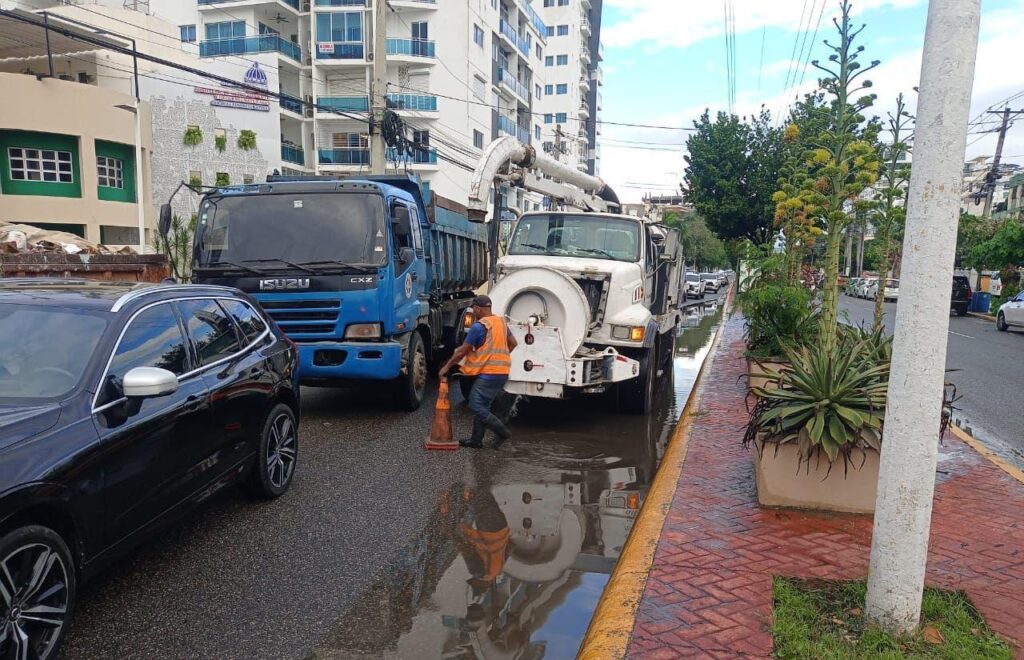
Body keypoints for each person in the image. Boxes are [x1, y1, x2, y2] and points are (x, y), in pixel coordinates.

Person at [440, 295, 517, 449]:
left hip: (490, 373)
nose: (473, 312)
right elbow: (513, 343)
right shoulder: (501, 323)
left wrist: (446, 367)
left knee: (475, 404)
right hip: (502, 371)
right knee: (483, 405)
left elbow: (462, 351)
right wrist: (501, 356)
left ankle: (502, 432)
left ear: (477, 308)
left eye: (474, 309)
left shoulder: (479, 327)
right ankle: (476, 440)